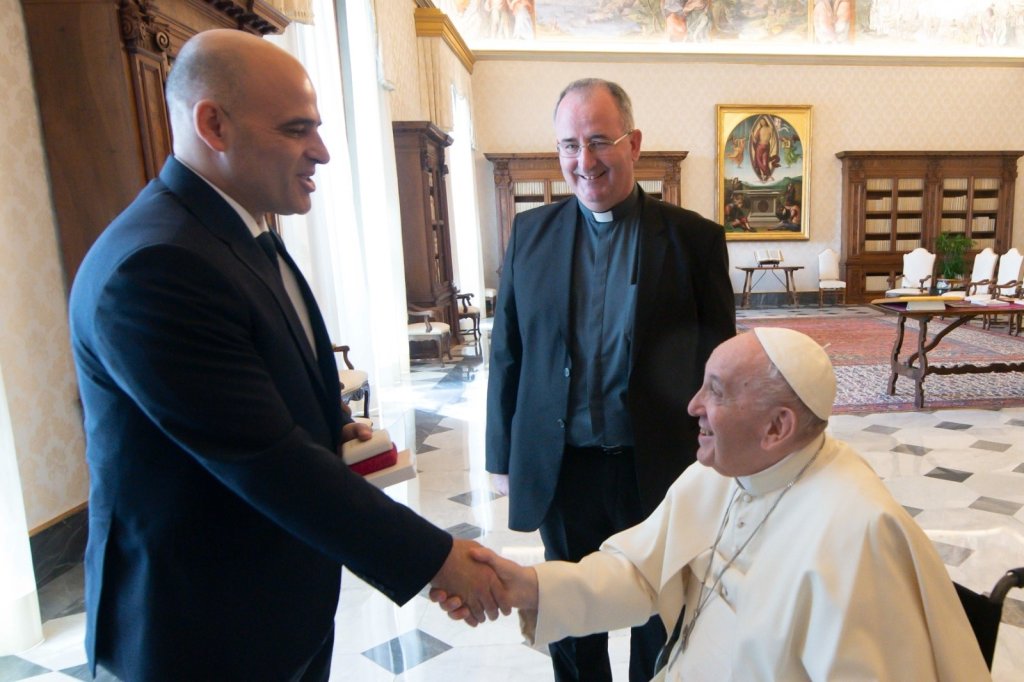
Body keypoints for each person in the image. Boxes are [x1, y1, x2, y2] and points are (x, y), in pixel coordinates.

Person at [68, 29, 504, 681]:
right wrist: (439, 559)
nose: (321, 151)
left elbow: (256, 394)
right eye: (298, 129)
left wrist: (329, 428)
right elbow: (265, 459)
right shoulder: (157, 265)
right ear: (213, 125)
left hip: (273, 611)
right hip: (198, 635)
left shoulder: (234, 234)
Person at [445, 328, 990, 680]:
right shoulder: (723, 472)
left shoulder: (858, 532)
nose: (692, 405)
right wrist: (529, 586)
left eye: (716, 392)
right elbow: (641, 573)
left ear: (777, 427)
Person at [485, 77, 735, 681]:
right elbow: (508, 352)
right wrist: (500, 455)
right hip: (563, 468)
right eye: (569, 145)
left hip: (659, 466)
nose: (584, 160)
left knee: (660, 615)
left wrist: (725, 455)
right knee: (570, 620)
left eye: (599, 141)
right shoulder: (530, 235)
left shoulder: (694, 240)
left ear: (633, 144)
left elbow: (721, 365)